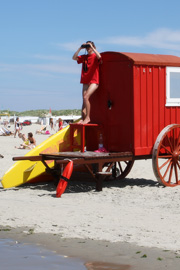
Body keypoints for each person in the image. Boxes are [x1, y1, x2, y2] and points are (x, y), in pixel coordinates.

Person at [72, 41, 102, 124]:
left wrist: (92, 47)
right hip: (85, 81)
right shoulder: (84, 57)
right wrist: (80, 48)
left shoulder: (95, 56)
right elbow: (74, 58)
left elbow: (99, 57)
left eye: (89, 46)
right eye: (87, 47)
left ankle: (88, 118)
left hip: (94, 81)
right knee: (84, 100)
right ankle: (83, 118)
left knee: (86, 97)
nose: (88, 48)